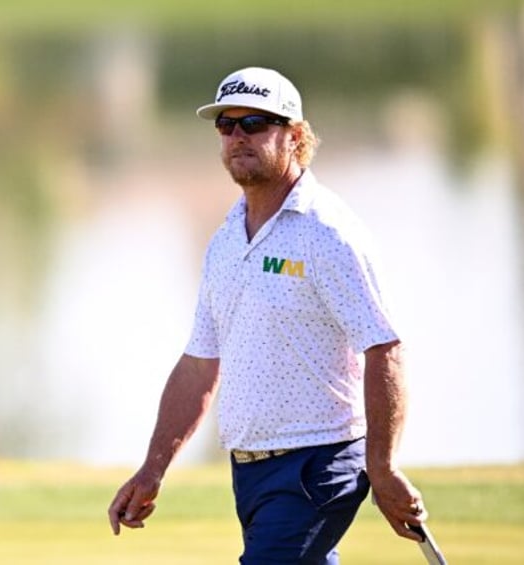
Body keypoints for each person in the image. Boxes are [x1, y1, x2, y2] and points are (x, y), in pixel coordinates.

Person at [108, 66, 428, 564]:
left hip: (318, 465)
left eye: (255, 123)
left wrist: (382, 467)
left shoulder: (328, 232)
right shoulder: (225, 240)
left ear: (295, 136)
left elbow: (384, 346)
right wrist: (153, 470)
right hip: (249, 472)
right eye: (226, 125)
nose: (238, 136)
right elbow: (198, 365)